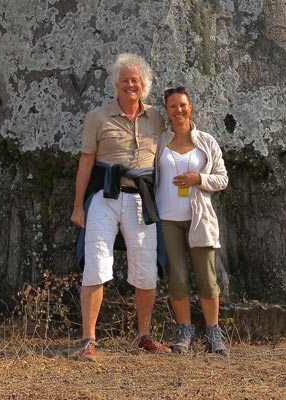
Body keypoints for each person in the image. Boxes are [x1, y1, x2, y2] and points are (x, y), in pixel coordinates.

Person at [71, 53, 170, 361]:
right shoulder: (98, 117)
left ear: (144, 85)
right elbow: (86, 162)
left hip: (142, 199)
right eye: (125, 80)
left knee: (146, 270)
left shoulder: (156, 117)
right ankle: (88, 339)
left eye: (136, 80)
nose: (131, 85)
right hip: (104, 197)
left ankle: (143, 335)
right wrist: (78, 207)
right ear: (116, 84)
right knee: (96, 266)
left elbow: (178, 140)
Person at [155, 86, 229, 356]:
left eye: (183, 105)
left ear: (191, 107)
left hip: (199, 218)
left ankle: (214, 332)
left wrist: (199, 179)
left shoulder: (207, 142)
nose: (179, 110)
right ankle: (185, 330)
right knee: (177, 278)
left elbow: (222, 179)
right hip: (168, 219)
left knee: (207, 279)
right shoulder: (160, 141)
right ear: (167, 110)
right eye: (173, 106)